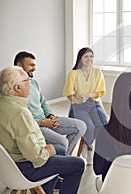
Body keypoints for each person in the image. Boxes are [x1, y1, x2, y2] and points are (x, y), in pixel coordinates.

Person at [0, 66, 85, 194]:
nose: (31, 81)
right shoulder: (20, 114)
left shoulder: (4, 103)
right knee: (78, 164)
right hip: (26, 166)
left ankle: (47, 190)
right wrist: (48, 150)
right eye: (27, 79)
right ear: (17, 88)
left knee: (60, 148)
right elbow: (37, 158)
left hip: (9, 165)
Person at [14, 51, 87, 156]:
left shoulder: (33, 83)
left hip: (46, 119)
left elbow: (43, 102)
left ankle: (64, 159)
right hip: (35, 126)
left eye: (35, 65)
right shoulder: (14, 89)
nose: (34, 68)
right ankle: (63, 161)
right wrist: (42, 122)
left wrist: (51, 116)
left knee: (81, 126)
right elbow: (21, 118)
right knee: (63, 142)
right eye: (31, 65)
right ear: (19, 66)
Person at [63, 47, 108, 165]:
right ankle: (89, 148)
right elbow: (68, 93)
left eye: (91, 56)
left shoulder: (97, 72)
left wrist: (89, 95)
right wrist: (77, 100)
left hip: (94, 104)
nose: (89, 59)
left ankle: (88, 143)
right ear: (80, 59)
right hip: (79, 106)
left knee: (104, 123)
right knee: (89, 126)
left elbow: (101, 92)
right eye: (86, 56)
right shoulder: (73, 74)